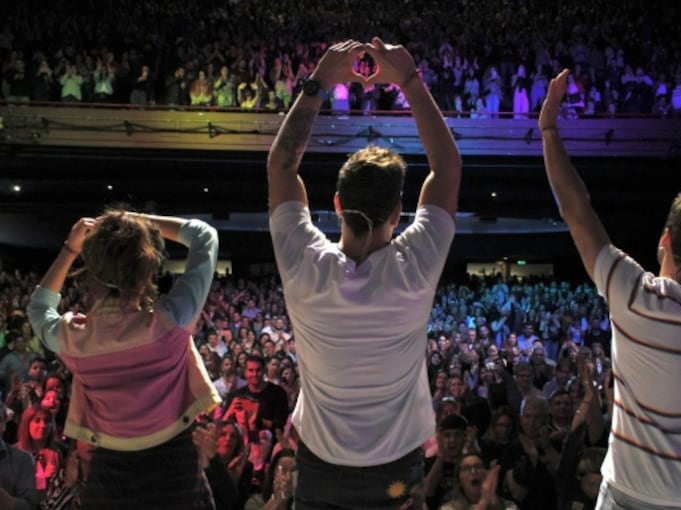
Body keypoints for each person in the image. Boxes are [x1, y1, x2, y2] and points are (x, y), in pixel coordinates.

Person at [539, 69, 681, 509]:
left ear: (665, 240)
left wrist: (549, 128)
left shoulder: (635, 298)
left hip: (632, 496)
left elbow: (575, 206)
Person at [267, 37, 461, 510]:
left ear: (334, 204)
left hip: (318, 467)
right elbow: (448, 167)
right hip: (394, 472)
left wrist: (317, 84)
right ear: (400, 210)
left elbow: (281, 164)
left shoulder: (304, 264)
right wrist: (410, 82)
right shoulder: (414, 267)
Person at [27, 210, 221, 509]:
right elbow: (203, 235)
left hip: (108, 468)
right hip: (175, 463)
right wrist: (133, 220)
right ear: (146, 273)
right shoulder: (173, 319)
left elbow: (39, 308)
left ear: (91, 271)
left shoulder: (73, 338)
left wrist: (69, 249)